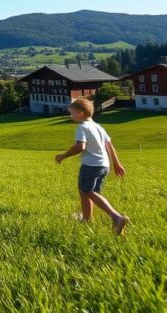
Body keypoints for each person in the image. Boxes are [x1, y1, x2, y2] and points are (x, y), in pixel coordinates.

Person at [55, 98, 130, 235]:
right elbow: (109, 146)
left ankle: (116, 217)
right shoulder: (98, 127)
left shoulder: (82, 127)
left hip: (91, 165)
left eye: (72, 113)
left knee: (86, 191)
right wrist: (116, 163)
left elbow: (80, 146)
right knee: (89, 192)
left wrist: (63, 156)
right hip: (103, 165)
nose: (71, 116)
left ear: (82, 113)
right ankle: (87, 219)